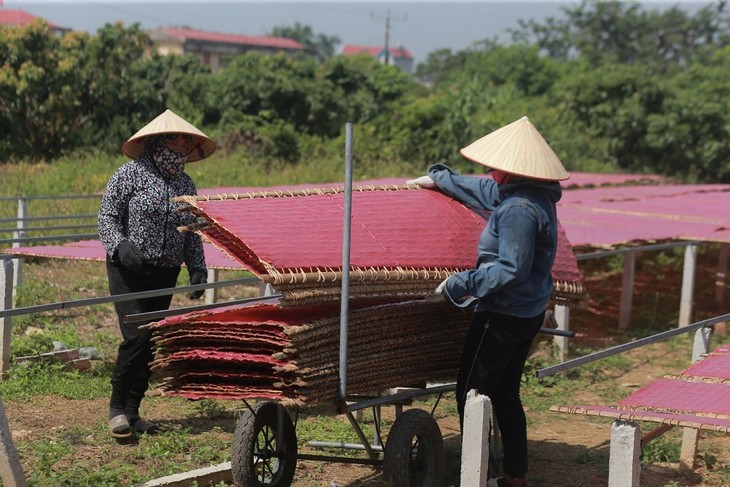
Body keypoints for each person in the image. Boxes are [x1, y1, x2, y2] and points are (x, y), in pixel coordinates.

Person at [407, 116, 569, 487]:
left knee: (472, 394)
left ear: (510, 169)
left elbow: (510, 268)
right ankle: (514, 474)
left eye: (494, 165)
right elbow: (484, 191)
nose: (489, 170)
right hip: (527, 310)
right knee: (506, 393)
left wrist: (460, 284)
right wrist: (442, 179)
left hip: (503, 315)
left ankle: (473, 474)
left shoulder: (517, 211)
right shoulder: (533, 195)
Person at [98, 109, 216, 438]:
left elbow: (192, 231)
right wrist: (120, 245)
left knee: (151, 342)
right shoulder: (129, 175)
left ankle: (133, 411)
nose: (180, 145)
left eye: (185, 141)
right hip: (128, 269)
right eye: (174, 138)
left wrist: (197, 269)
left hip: (164, 273)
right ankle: (116, 409)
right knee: (137, 336)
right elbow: (107, 216)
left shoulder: (185, 183)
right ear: (157, 141)